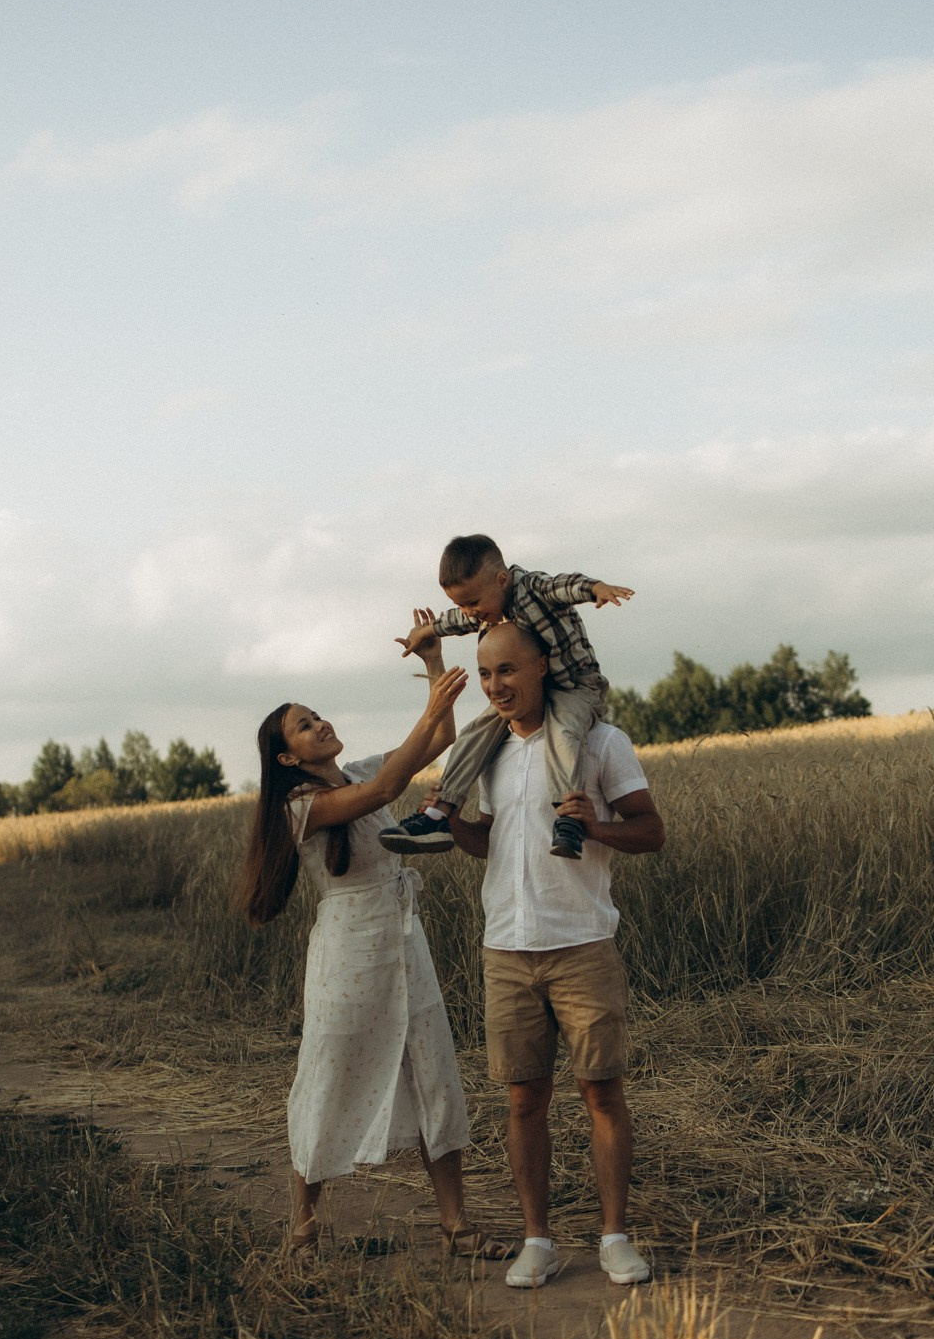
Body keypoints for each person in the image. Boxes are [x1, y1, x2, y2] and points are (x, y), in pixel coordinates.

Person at [238, 620, 509, 1262]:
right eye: (305, 726)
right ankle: (304, 1227)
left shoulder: (354, 768)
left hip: (403, 941)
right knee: (328, 1074)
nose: (320, 724)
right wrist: (437, 699)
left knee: (434, 1071)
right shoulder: (299, 808)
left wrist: (436, 659)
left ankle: (457, 1229)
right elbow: (388, 791)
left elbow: (440, 740)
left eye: (318, 715)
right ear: (287, 757)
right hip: (347, 952)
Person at [441, 622, 665, 1289]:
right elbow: (493, 842)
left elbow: (651, 831)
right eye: (485, 674)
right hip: (506, 948)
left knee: (601, 1091)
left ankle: (614, 1238)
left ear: (542, 666)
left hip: (582, 943)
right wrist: (448, 821)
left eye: (507, 670)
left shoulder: (600, 741)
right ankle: (537, 1240)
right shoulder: (487, 752)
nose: (496, 685)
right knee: (522, 1101)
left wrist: (593, 823)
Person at [379, 533, 633, 862]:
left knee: (564, 732)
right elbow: (454, 621)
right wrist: (424, 632)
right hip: (531, 692)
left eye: (473, 602)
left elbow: (564, 585)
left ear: (502, 580)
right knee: (474, 734)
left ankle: (568, 818)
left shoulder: (532, 588)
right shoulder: (482, 607)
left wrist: (596, 589)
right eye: (461, 604)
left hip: (575, 685)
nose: (469, 612)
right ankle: (438, 814)